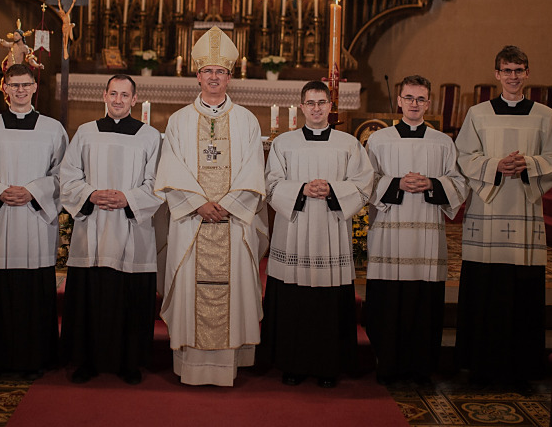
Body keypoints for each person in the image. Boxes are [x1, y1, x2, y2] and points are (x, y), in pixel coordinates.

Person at [154, 26, 268, 387]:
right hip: (192, 223)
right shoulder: (179, 121)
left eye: (220, 71)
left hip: (233, 223)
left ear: (230, 77)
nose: (214, 77)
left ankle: (227, 365)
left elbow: (254, 168)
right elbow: (170, 168)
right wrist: (198, 204)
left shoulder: (246, 120)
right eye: (207, 71)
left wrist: (229, 205)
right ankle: (191, 366)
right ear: (198, 75)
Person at [454, 46, 552, 390]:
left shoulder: (544, 115)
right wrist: (495, 165)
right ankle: (480, 367)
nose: (513, 76)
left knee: (522, 292)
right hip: (487, 211)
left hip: (523, 210)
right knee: (485, 287)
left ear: (527, 73)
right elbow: (463, 155)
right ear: (497, 74)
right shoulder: (477, 114)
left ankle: (521, 370)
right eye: (507, 70)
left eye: (519, 70)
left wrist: (529, 164)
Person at [260, 81, 374, 388]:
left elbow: (364, 184)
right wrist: (301, 189)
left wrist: (333, 190)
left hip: (330, 229)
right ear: (301, 107)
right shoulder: (284, 143)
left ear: (330, 107)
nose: (316, 108)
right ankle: (292, 364)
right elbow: (270, 185)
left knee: (327, 301)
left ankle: (328, 366)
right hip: (294, 230)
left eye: (321, 102)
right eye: (310, 103)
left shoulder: (348, 144)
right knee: (294, 300)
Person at [0, 63, 68, 378]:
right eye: (14, 85)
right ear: (4, 88)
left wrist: (33, 191)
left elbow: (65, 174)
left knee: (33, 291)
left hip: (35, 221)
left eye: (25, 85)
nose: (20, 90)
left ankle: (35, 358)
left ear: (35, 87)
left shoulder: (53, 129)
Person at [364, 75, 469, 385]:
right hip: (389, 234)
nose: (414, 104)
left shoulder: (443, 142)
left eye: (420, 99)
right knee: (389, 301)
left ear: (428, 103)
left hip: (427, 237)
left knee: (425, 301)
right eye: (408, 98)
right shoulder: (379, 140)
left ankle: (422, 368)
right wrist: (396, 183)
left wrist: (432, 183)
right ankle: (388, 365)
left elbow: (459, 182)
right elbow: (364, 181)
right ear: (399, 101)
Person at [59, 75, 163, 385]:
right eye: (113, 93)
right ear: (104, 96)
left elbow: (158, 182)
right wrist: (90, 195)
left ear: (134, 99)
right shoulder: (85, 133)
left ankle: (129, 362)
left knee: (129, 296)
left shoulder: (150, 136)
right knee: (91, 296)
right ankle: (86, 361)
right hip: (93, 225)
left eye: (124, 95)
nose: (118, 100)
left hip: (131, 228)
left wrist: (128, 198)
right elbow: (68, 176)